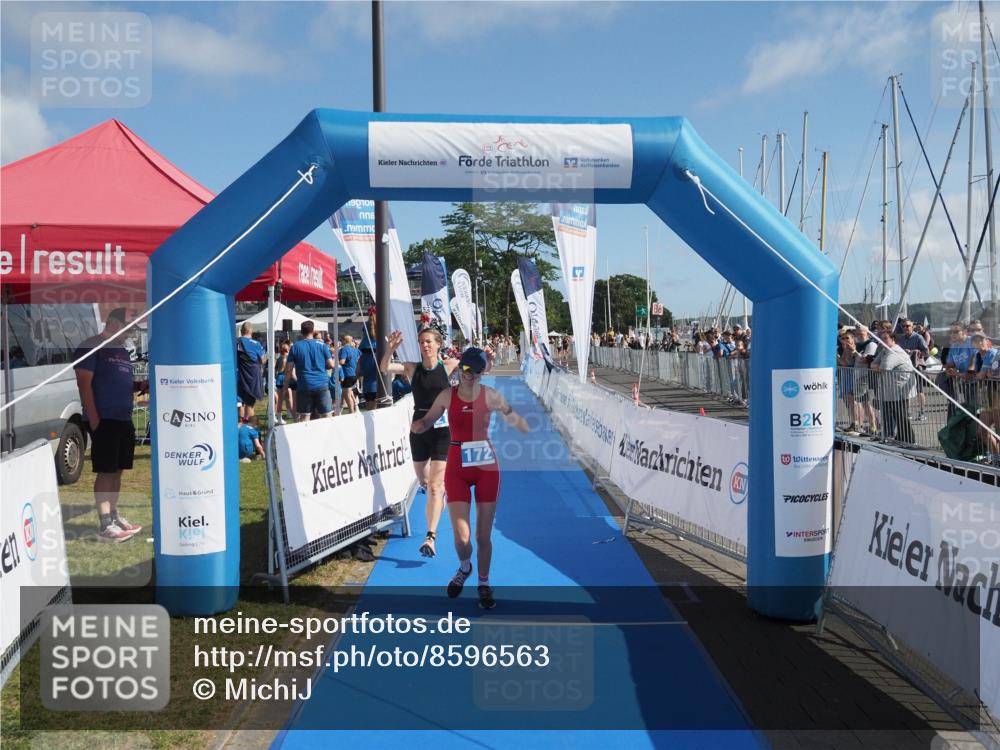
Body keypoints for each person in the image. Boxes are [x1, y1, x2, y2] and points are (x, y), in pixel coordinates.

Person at [411, 348, 529, 609]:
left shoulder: (491, 395)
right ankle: (465, 567)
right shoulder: (446, 395)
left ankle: (484, 584)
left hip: (486, 467)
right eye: (465, 370)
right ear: (460, 368)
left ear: (482, 374)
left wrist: (520, 424)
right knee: (462, 539)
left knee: (483, 536)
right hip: (457, 466)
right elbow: (428, 420)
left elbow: (514, 418)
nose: (470, 376)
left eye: (476, 373)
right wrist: (419, 426)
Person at [381, 325, 463, 558]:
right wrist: (390, 349)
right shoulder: (411, 368)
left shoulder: (448, 365)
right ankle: (438, 497)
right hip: (419, 428)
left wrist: (484, 359)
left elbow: (477, 368)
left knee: (436, 486)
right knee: (424, 481)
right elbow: (385, 368)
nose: (425, 345)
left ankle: (431, 537)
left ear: (438, 344)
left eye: (429, 341)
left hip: (442, 430)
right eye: (421, 342)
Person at [73, 308, 146, 542]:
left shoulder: (122, 351)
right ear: (113, 323)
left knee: (118, 469)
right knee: (106, 471)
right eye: (128, 327)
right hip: (104, 420)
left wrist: (138, 385)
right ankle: (105, 524)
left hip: (123, 418)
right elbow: (84, 384)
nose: (130, 333)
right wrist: (94, 420)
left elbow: (119, 381)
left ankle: (114, 517)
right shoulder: (91, 345)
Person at [871, 329, 916, 445]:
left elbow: (885, 367)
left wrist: (877, 366)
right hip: (891, 389)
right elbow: (873, 364)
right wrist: (877, 366)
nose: (883, 341)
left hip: (900, 389)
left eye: (885, 338)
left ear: (893, 339)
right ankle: (900, 438)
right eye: (881, 339)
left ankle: (909, 440)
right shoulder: (885, 351)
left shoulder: (894, 351)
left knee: (901, 415)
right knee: (895, 415)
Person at [283, 320, 335, 421]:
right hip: (321, 384)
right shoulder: (322, 345)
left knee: (305, 417)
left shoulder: (295, 347)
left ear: (301, 331)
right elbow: (331, 365)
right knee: (327, 416)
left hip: (304, 385)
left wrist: (285, 386)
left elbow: (289, 369)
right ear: (313, 330)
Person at [236, 322, 267, 424]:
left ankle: (241, 428)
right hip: (252, 377)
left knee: (239, 403)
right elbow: (262, 361)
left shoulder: (236, 342)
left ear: (241, 331)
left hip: (238, 376)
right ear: (250, 331)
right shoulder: (256, 344)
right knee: (249, 405)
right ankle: (251, 429)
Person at [339, 335, 361, 414]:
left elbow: (342, 361)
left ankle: (351, 411)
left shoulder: (344, 349)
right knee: (349, 392)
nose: (341, 341)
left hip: (347, 374)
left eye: (342, 340)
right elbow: (359, 358)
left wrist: (334, 362)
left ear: (345, 341)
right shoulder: (355, 350)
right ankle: (354, 408)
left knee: (346, 395)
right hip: (355, 374)